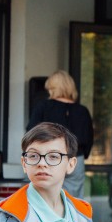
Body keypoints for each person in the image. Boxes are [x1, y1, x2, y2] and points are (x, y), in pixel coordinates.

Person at [27, 70, 94, 199]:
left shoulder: (43, 107)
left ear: (52, 88)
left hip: (49, 158)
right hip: (75, 159)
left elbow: (31, 135)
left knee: (46, 199)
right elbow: (89, 139)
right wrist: (80, 155)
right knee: (73, 202)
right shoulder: (82, 111)